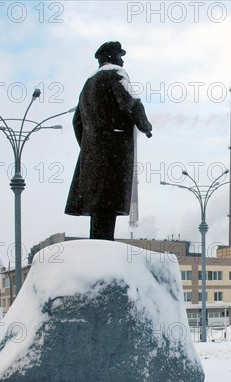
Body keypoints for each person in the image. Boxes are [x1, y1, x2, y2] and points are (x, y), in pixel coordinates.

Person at [65, 41, 153, 240]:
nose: (122, 60)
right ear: (112, 57)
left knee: (99, 207)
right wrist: (145, 125)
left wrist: (89, 147)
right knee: (108, 203)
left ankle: (99, 250)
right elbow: (130, 102)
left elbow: (76, 122)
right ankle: (104, 252)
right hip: (114, 152)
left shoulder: (87, 85)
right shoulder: (116, 74)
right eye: (120, 55)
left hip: (93, 157)